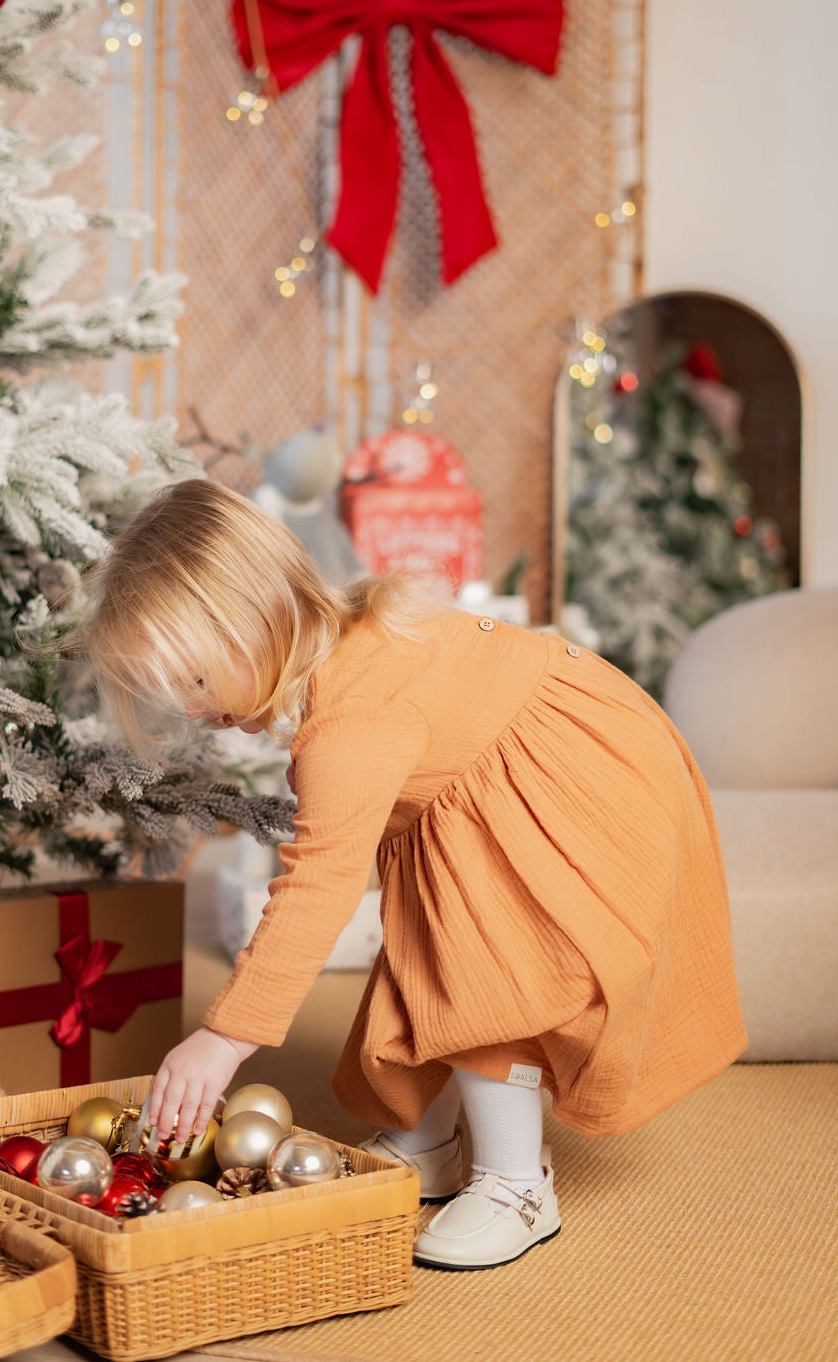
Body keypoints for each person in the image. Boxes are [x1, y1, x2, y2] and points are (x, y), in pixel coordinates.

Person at [85, 477, 747, 1269]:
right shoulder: (354, 641)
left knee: (488, 970)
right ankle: (428, 1143)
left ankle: (516, 1183)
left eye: (195, 682)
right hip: (539, 761)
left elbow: (317, 890)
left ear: (257, 617)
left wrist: (224, 1038)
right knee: (423, 949)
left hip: (577, 789)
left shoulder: (352, 722)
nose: (194, 709)